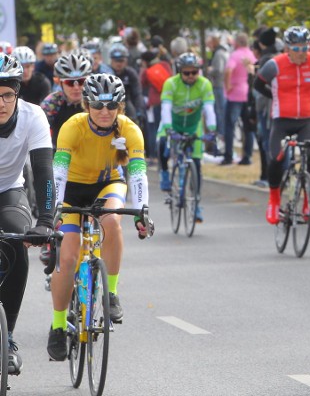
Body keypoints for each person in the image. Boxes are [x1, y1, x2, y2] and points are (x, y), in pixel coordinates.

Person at [47, 74, 152, 361]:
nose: (105, 111)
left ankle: (112, 293)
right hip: (72, 190)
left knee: (111, 220)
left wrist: (142, 211)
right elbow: (58, 172)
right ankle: (57, 326)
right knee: (67, 258)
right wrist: (53, 208)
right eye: (97, 105)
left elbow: (138, 172)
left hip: (108, 184)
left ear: (120, 106)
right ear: (86, 104)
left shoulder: (128, 130)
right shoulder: (72, 127)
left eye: (111, 105)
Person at [0, 55, 56, 374]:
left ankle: (6, 340)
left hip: (9, 190)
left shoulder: (33, 116)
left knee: (17, 243)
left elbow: (44, 173)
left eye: (8, 94)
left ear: (18, 92)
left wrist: (46, 221)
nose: (2, 102)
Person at [254, 26, 310, 224]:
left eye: (305, 48)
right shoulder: (274, 65)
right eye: (297, 49)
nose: (302, 53)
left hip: (306, 120)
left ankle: (308, 204)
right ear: (287, 48)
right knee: (276, 158)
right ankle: (274, 199)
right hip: (281, 120)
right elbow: (257, 84)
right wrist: (274, 95)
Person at [156, 53, 216, 223]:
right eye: (186, 73)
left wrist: (212, 130)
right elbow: (166, 108)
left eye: (194, 72)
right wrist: (168, 129)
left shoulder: (205, 85)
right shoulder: (171, 84)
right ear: (179, 72)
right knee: (161, 143)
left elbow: (209, 109)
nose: (191, 76)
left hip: (192, 125)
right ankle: (165, 175)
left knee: (196, 164)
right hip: (172, 124)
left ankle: (196, 204)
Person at [41, 52, 93, 149]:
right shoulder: (51, 103)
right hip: (60, 155)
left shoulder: (96, 101)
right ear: (59, 83)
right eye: (70, 82)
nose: (76, 87)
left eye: (81, 81)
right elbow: (40, 136)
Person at [251, 27, 279, 187]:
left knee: (268, 143)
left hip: (267, 107)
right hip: (276, 106)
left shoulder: (266, 60)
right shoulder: (279, 55)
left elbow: (259, 87)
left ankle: (271, 178)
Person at [223, 32, 254, 165]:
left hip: (235, 94)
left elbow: (228, 70)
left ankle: (228, 155)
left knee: (230, 125)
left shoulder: (235, 55)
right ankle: (247, 156)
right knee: (248, 127)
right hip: (247, 93)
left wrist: (228, 85)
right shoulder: (251, 54)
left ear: (236, 42)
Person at [108, 44, 146, 127]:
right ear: (111, 60)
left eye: (121, 60)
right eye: (116, 60)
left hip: (126, 101)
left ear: (126, 61)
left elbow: (137, 94)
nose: (118, 63)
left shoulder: (131, 73)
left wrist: (140, 111)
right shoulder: (106, 72)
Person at [206, 33, 229, 154]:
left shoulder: (219, 54)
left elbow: (219, 70)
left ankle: (220, 139)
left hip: (219, 85)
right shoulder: (220, 52)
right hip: (219, 85)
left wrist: (211, 70)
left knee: (219, 113)